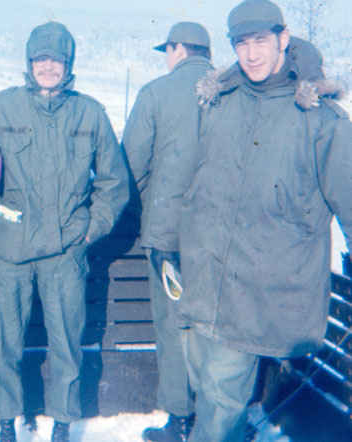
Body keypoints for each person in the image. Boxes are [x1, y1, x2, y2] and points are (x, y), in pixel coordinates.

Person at [179, 0, 352, 441]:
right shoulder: (219, 104)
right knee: (209, 391)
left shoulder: (320, 121)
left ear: (283, 39)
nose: (251, 53)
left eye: (261, 41)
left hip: (261, 295)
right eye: (241, 43)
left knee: (219, 405)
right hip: (204, 284)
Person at [0, 21, 129, 442]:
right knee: (6, 344)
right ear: (29, 63)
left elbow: (114, 183)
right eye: (40, 59)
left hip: (65, 252)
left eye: (56, 60)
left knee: (67, 345)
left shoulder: (89, 112)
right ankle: (6, 422)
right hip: (10, 252)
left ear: (68, 64)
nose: (48, 68)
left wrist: (89, 230)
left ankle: (62, 424)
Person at [122, 22, 213, 442]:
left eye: (167, 50)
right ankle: (215, 418)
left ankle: (179, 420)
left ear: (177, 50)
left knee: (174, 325)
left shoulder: (156, 93)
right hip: (222, 240)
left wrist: (150, 207)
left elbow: (130, 167)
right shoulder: (231, 93)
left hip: (168, 239)